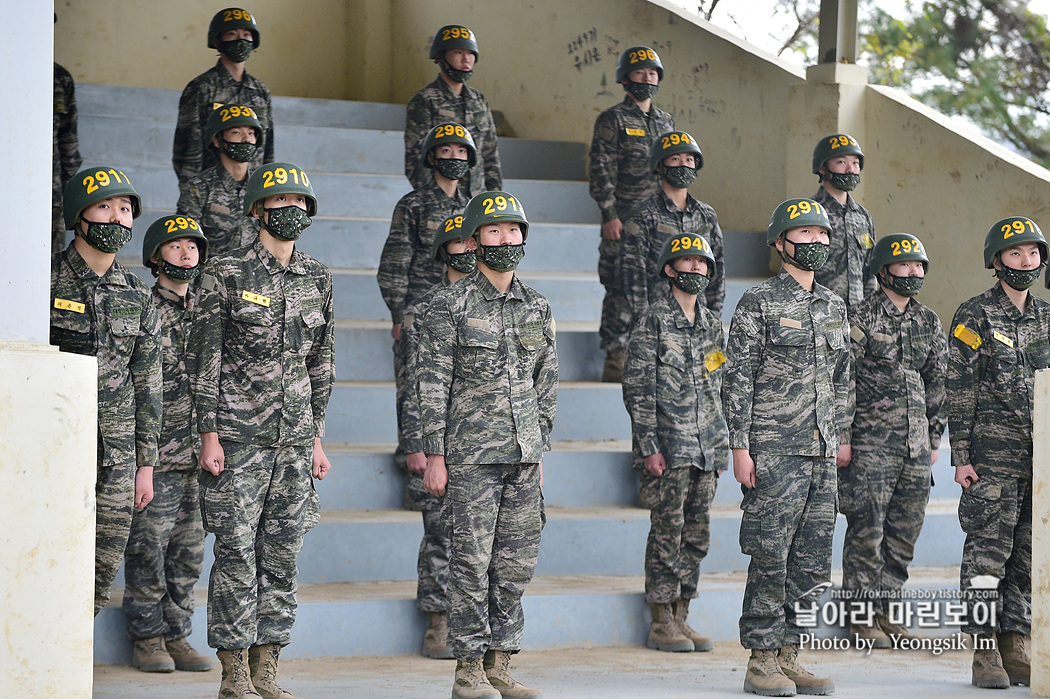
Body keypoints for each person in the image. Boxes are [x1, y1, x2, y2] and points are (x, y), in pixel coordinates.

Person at [191, 162, 334, 699]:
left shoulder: (317, 276)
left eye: (300, 203)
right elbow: (203, 359)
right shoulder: (224, 271)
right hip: (237, 439)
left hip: (295, 441)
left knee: (282, 553)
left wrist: (316, 436)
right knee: (235, 553)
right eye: (280, 202)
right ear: (256, 210)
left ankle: (266, 664)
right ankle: (233, 670)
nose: (290, 211)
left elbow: (322, 363)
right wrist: (208, 435)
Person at [419, 191, 556, 699]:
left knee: (515, 562)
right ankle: (469, 670)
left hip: (523, 456)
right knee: (470, 564)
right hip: (470, 456)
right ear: (474, 241)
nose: (505, 240)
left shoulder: (537, 305)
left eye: (513, 230)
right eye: (493, 231)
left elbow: (547, 383)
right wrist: (435, 455)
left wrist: (538, 448)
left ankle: (501, 662)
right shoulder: (446, 305)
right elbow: (431, 385)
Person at [722, 198, 849, 696]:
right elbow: (738, 379)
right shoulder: (759, 302)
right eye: (803, 235)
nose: (814, 243)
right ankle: (761, 660)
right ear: (779, 243)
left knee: (813, 559)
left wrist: (838, 436)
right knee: (770, 555)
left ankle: (790, 653)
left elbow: (841, 381)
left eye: (821, 235)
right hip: (773, 450)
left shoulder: (834, 306)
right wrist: (740, 447)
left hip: (821, 451)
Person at [50, 166, 161, 617]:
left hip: (116, 458)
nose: (117, 218)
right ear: (79, 215)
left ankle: (73, 671)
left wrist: (145, 464)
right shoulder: (45, 278)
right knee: (45, 554)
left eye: (124, 209)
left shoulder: (136, 292)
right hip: (51, 446)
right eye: (104, 207)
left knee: (99, 571)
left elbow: (148, 383)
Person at [947, 216, 1050, 689]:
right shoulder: (975, 316)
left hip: (1040, 462)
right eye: (1015, 254)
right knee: (988, 557)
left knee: (1028, 555)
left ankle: (1016, 643)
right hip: (991, 459)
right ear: (996, 261)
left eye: (1032, 253)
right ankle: (984, 650)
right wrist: (961, 455)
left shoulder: (1047, 317)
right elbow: (961, 388)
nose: (1025, 262)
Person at [839, 233, 947, 647]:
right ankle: (860, 618)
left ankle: (887, 611)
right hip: (869, 446)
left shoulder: (928, 321)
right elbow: (844, 380)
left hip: (915, 449)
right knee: (867, 534)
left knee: (903, 534)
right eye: (905, 265)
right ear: (883, 270)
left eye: (919, 266)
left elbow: (939, 382)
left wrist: (934, 438)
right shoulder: (861, 316)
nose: (914, 272)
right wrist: (844, 438)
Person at [622, 232, 727, 654]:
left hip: (706, 448)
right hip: (669, 448)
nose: (697, 269)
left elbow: (721, 387)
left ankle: (683, 613)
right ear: (669, 269)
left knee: (697, 534)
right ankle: (661, 618)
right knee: (668, 531)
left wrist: (721, 446)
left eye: (703, 263)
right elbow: (638, 387)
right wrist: (649, 446)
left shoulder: (713, 324)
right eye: (688, 262)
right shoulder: (653, 320)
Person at [124, 216, 213, 674]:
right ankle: (148, 638)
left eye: (192, 246)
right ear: (156, 255)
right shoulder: (141, 304)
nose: (185, 253)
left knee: (188, 551)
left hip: (201, 453)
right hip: (155, 454)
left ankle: (178, 634)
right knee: (148, 548)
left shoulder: (208, 309)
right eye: (175, 245)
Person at [397, 214, 477, 660]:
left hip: (482, 441)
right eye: (458, 244)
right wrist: (418, 446)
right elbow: (414, 383)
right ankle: (438, 623)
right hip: (437, 440)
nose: (467, 251)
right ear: (444, 251)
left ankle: (472, 627)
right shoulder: (426, 308)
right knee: (440, 533)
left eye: (472, 243)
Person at [588, 45, 675, 381]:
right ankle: (615, 356)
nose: (647, 78)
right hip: (623, 221)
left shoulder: (666, 121)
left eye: (652, 73)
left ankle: (649, 355)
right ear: (625, 79)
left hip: (660, 222)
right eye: (640, 73)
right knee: (621, 288)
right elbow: (601, 169)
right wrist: (609, 214)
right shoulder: (613, 119)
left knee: (658, 286)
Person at [379, 122, 476, 342]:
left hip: (464, 309)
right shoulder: (413, 204)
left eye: (461, 151)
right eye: (446, 150)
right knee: (414, 375)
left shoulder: (473, 208)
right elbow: (395, 261)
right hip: (420, 308)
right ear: (432, 158)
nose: (455, 157)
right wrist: (398, 315)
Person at [621, 131, 724, 322]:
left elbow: (717, 271)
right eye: (675, 159)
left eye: (689, 159)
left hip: (698, 317)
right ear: (660, 166)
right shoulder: (643, 214)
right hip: (658, 318)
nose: (683, 165)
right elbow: (633, 274)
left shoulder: (706, 215)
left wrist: (713, 318)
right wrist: (645, 322)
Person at [173, 7, 274, 187]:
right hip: (211, 192)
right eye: (232, 34)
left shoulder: (260, 91)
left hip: (251, 192)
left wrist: (266, 190)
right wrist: (191, 192)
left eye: (246, 34)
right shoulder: (201, 88)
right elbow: (187, 148)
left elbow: (267, 148)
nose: (240, 40)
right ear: (218, 40)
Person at [404, 25, 501, 196]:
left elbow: (490, 153)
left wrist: (493, 197)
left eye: (470, 53)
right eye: (458, 52)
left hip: (476, 200)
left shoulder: (479, 101)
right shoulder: (425, 100)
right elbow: (415, 158)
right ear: (440, 57)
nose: (466, 59)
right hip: (440, 202)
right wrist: (433, 200)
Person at [177, 104, 263, 257]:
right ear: (217, 141)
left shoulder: (263, 188)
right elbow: (185, 244)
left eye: (251, 133)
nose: (246, 139)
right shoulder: (198, 188)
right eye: (236, 132)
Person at [810, 133, 877, 306]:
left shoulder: (862, 217)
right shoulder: (810, 213)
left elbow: (870, 270)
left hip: (857, 316)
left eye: (855, 163)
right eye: (841, 162)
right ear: (822, 168)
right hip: (820, 313)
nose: (850, 169)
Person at [52, 56, 83, 256]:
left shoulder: (59, 77)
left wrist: (66, 192)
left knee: (45, 263)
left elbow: (68, 140)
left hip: (49, 194)